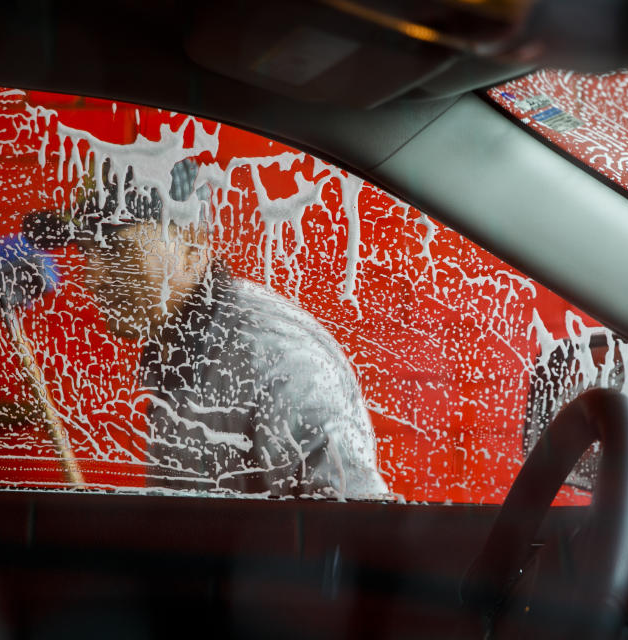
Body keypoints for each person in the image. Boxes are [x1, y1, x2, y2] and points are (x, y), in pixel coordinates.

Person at [24, 160, 388, 499]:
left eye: (117, 248)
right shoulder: (173, 347)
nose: (92, 278)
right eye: (88, 251)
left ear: (193, 246)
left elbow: (356, 525)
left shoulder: (277, 361)